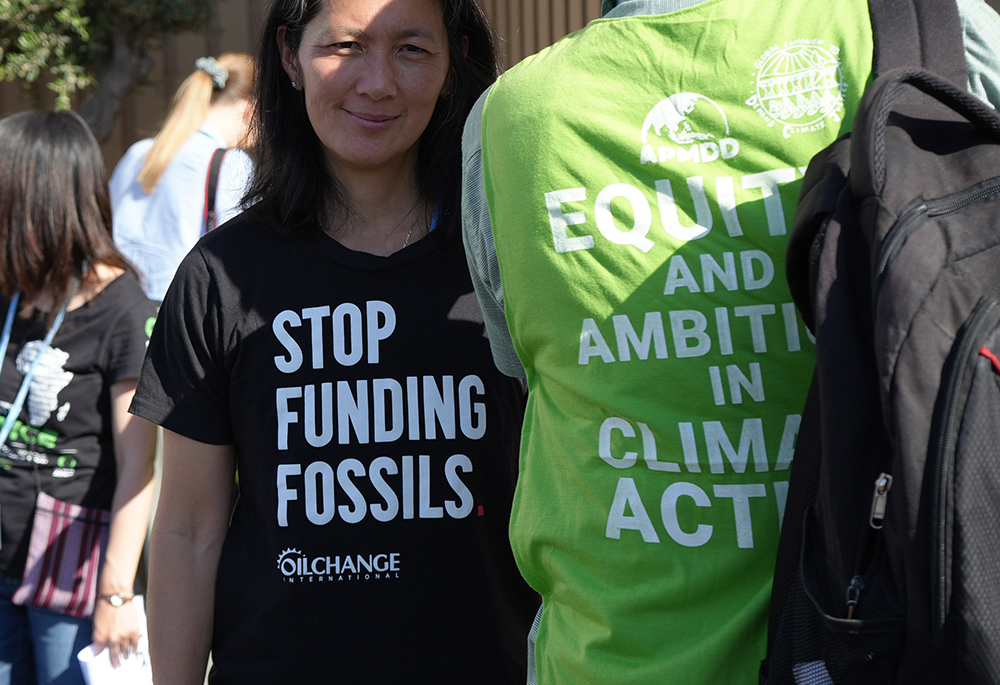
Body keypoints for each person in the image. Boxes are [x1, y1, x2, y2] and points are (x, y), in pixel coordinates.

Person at [461, 0, 1000, 683]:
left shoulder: (510, 119)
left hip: (610, 659)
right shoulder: (931, 33)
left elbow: (523, 360)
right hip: (880, 646)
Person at [129, 0, 539, 682]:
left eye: (411, 49)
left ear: (455, 58)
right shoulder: (221, 273)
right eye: (345, 46)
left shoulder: (510, 257)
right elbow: (187, 528)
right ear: (290, 55)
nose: (377, 82)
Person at [0, 110, 158, 685]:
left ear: (34, 201)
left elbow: (138, 465)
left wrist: (116, 595)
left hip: (73, 576)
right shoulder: (13, 290)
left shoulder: (123, 309)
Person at [109, 53, 255, 303]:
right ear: (250, 109)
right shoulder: (231, 163)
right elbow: (242, 258)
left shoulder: (137, 153)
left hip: (124, 310)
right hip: (180, 312)